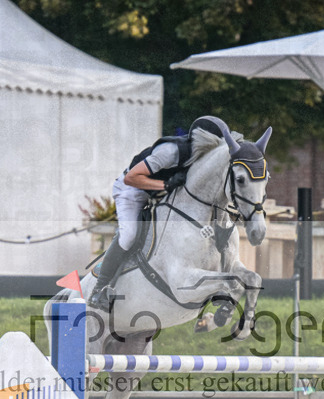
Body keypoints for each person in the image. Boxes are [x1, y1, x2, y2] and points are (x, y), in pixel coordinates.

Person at [88, 115, 229, 311]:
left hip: (158, 193)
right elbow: (131, 178)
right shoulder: (170, 152)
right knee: (129, 236)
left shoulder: (200, 158)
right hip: (132, 191)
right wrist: (166, 185)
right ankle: (99, 289)